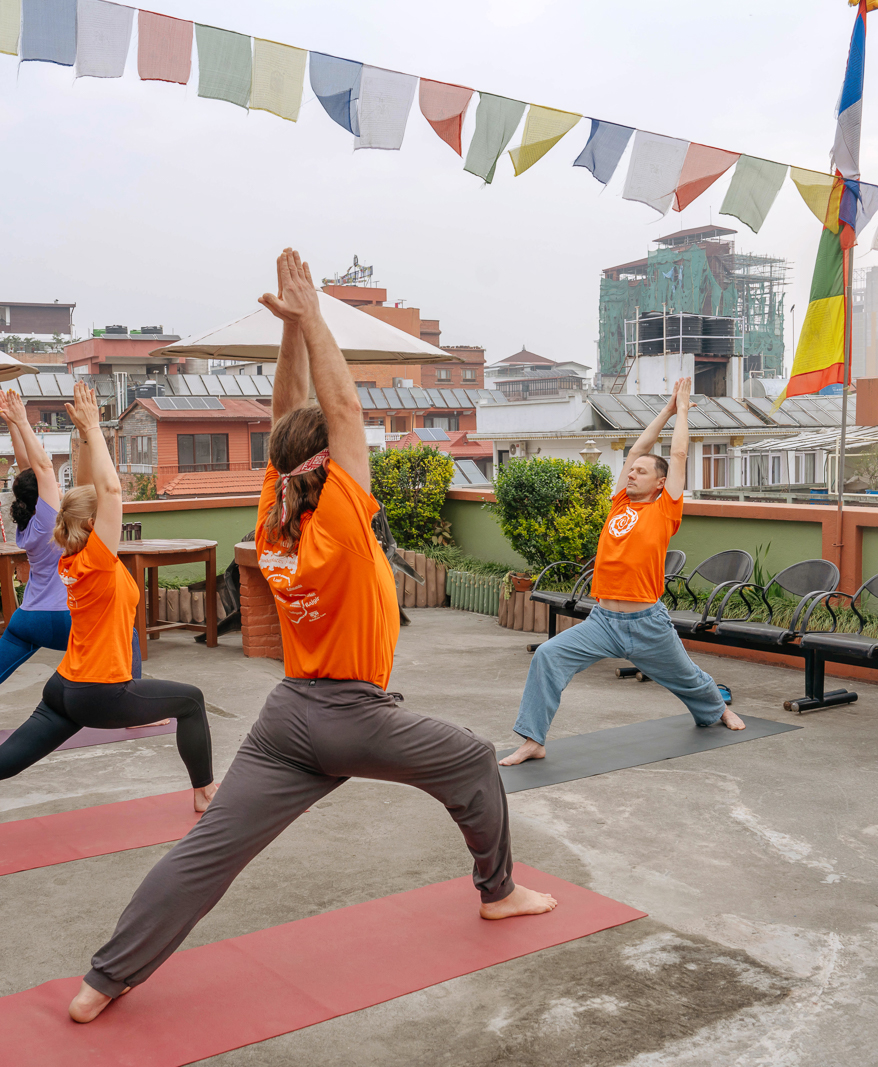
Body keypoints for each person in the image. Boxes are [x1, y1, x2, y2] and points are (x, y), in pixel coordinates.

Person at [65, 249, 558, 1024]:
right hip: (353, 716)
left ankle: (104, 980)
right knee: (471, 758)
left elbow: (285, 415)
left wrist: (293, 329)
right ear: (334, 464)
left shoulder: (275, 514)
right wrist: (316, 319)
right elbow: (343, 410)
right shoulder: (340, 521)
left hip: (286, 719)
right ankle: (497, 892)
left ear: (287, 465)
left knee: (207, 854)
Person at [0, 382, 216, 859]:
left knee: (2, 761)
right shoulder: (98, 561)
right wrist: (94, 428)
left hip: (64, 688)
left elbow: (87, 489)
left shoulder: (71, 556)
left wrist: (83, 436)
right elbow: (110, 488)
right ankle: (204, 792)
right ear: (95, 526)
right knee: (193, 700)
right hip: (100, 692)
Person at [500, 376, 745, 767]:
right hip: (603, 621)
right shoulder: (620, 504)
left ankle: (718, 709)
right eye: (632, 471)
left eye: (641, 472)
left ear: (661, 483)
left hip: (646, 624)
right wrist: (665, 411)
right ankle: (533, 740)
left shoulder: (665, 510)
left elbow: (678, 454)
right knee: (548, 656)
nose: (632, 473)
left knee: (687, 677)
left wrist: (682, 412)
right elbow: (639, 448)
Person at [0, 389, 152, 758]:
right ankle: (137, 715)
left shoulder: (30, 523)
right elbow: (44, 468)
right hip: (67, 620)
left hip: (28, 618)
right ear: (46, 494)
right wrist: (21, 420)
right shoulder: (59, 520)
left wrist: (14, 426)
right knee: (128, 635)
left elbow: (30, 470)